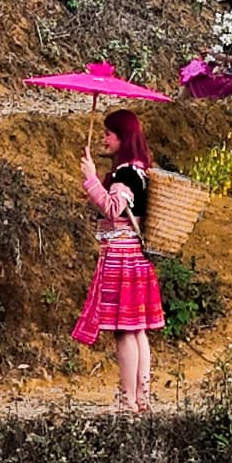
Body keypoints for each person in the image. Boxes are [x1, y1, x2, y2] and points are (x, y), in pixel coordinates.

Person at [73, 108, 166, 411]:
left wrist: (90, 180)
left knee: (125, 329)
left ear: (122, 138)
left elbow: (113, 209)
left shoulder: (125, 174)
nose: (104, 139)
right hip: (137, 256)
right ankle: (142, 398)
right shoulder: (141, 170)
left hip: (121, 256)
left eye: (109, 134)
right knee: (137, 329)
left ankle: (127, 399)